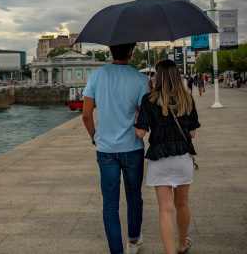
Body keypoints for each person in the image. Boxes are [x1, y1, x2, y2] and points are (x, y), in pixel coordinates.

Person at [82, 42, 149, 254]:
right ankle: (133, 241)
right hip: (132, 147)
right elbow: (143, 114)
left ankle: (116, 251)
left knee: (110, 202)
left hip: (106, 149)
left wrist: (95, 137)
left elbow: (85, 114)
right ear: (130, 51)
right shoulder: (140, 78)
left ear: (111, 51)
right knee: (134, 196)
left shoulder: (96, 76)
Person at [134, 59, 200, 254]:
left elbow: (140, 133)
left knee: (165, 209)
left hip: (160, 159)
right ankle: (182, 245)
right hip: (182, 159)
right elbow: (193, 133)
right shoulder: (187, 99)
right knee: (182, 203)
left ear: (158, 77)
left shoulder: (149, 100)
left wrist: (138, 118)